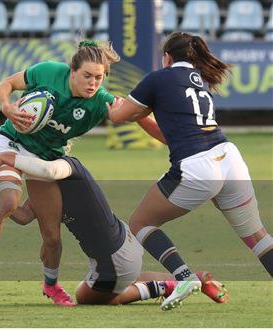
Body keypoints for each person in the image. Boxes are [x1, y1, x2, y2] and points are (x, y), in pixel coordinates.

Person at [0, 40, 165, 306]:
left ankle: (51, 285)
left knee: (51, 235)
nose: (93, 83)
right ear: (71, 71)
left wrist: (167, 138)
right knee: (9, 201)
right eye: (87, 76)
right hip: (11, 143)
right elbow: (6, 84)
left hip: (46, 159)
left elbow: (138, 116)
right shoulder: (48, 72)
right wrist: (7, 107)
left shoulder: (102, 101)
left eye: (98, 78)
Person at [106, 31, 272, 311]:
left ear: (167, 57)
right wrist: (141, 115)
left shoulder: (158, 78)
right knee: (258, 238)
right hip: (229, 158)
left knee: (140, 224)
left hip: (197, 167)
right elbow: (169, 136)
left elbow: (117, 116)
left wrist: (113, 101)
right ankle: (184, 278)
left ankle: (184, 277)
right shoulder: (199, 80)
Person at [0, 152, 228, 306]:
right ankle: (188, 279)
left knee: (86, 297)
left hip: (116, 257)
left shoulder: (67, 168)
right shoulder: (47, 189)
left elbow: (50, 172)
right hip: (122, 245)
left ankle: (166, 286)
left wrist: (7, 157)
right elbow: (25, 215)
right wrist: (4, 201)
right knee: (117, 283)